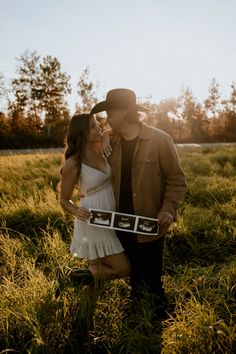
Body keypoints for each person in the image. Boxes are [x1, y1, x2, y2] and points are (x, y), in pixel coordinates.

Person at [90, 89, 187, 314]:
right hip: (120, 223)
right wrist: (105, 135)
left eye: (110, 113)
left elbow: (177, 179)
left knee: (152, 281)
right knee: (134, 279)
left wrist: (168, 209)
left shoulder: (160, 140)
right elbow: (80, 151)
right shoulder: (111, 143)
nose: (107, 119)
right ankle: (136, 318)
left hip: (151, 223)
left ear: (124, 112)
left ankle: (158, 322)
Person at [59, 113, 131, 286]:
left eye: (98, 123)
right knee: (123, 268)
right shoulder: (73, 163)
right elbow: (64, 199)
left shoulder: (102, 148)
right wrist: (76, 210)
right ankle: (72, 278)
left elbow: (117, 130)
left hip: (112, 215)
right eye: (92, 126)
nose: (99, 127)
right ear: (81, 133)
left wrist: (106, 135)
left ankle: (80, 293)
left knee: (96, 270)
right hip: (93, 218)